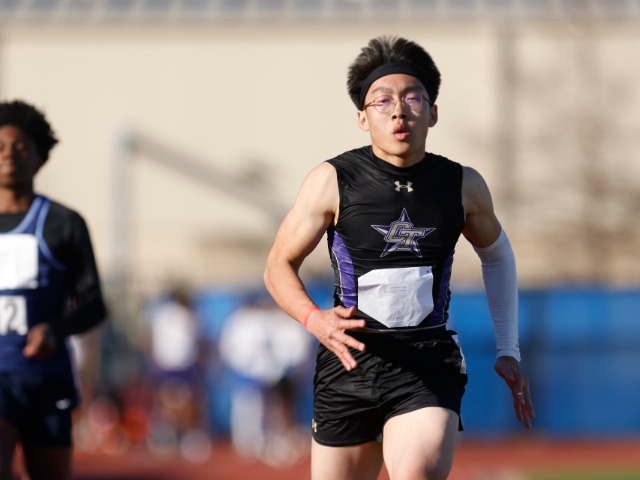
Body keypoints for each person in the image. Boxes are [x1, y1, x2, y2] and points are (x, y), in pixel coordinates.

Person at [263, 36, 535, 480]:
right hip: (349, 359)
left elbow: (498, 255)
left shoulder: (462, 185)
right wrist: (315, 320)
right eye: (383, 100)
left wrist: (508, 348)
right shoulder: (331, 180)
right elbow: (277, 266)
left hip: (427, 363)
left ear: (433, 112)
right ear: (362, 117)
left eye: (412, 97)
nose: (398, 111)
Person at [0, 100, 107, 480]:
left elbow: (94, 305)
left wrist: (54, 330)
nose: (8, 155)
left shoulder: (64, 223)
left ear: (39, 157)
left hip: (47, 377)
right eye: (0, 147)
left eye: (20, 147)